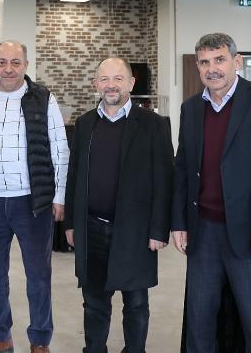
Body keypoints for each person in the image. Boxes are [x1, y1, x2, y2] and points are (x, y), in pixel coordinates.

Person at [171, 32, 251, 353]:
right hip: (203, 233)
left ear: (237, 61)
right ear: (197, 67)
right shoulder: (191, 108)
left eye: (219, 60)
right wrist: (179, 222)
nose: (212, 69)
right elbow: (182, 168)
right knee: (199, 323)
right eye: (204, 62)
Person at [0, 41, 69, 353]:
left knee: (38, 276)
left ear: (26, 65)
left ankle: (40, 340)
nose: (8, 69)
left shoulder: (43, 98)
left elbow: (60, 149)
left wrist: (59, 196)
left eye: (15, 63)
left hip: (32, 202)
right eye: (2, 62)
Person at [63, 58, 173, 353]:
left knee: (136, 303)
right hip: (92, 229)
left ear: (131, 83)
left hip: (136, 231)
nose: (111, 85)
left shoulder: (153, 124)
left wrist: (159, 229)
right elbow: (74, 176)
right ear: (96, 84)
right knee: (94, 302)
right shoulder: (85, 124)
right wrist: (71, 223)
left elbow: (165, 179)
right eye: (104, 79)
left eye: (118, 78)